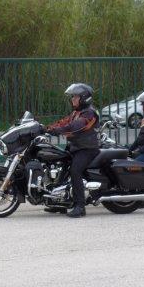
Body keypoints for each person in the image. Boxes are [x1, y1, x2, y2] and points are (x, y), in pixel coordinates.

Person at [45, 83, 100, 218]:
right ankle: (59, 202)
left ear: (84, 98)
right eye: (72, 97)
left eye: (75, 97)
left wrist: (56, 131)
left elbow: (75, 127)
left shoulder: (89, 113)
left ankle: (80, 207)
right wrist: (46, 128)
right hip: (76, 147)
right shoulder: (76, 112)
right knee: (62, 166)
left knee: (75, 171)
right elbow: (64, 122)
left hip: (87, 149)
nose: (73, 99)